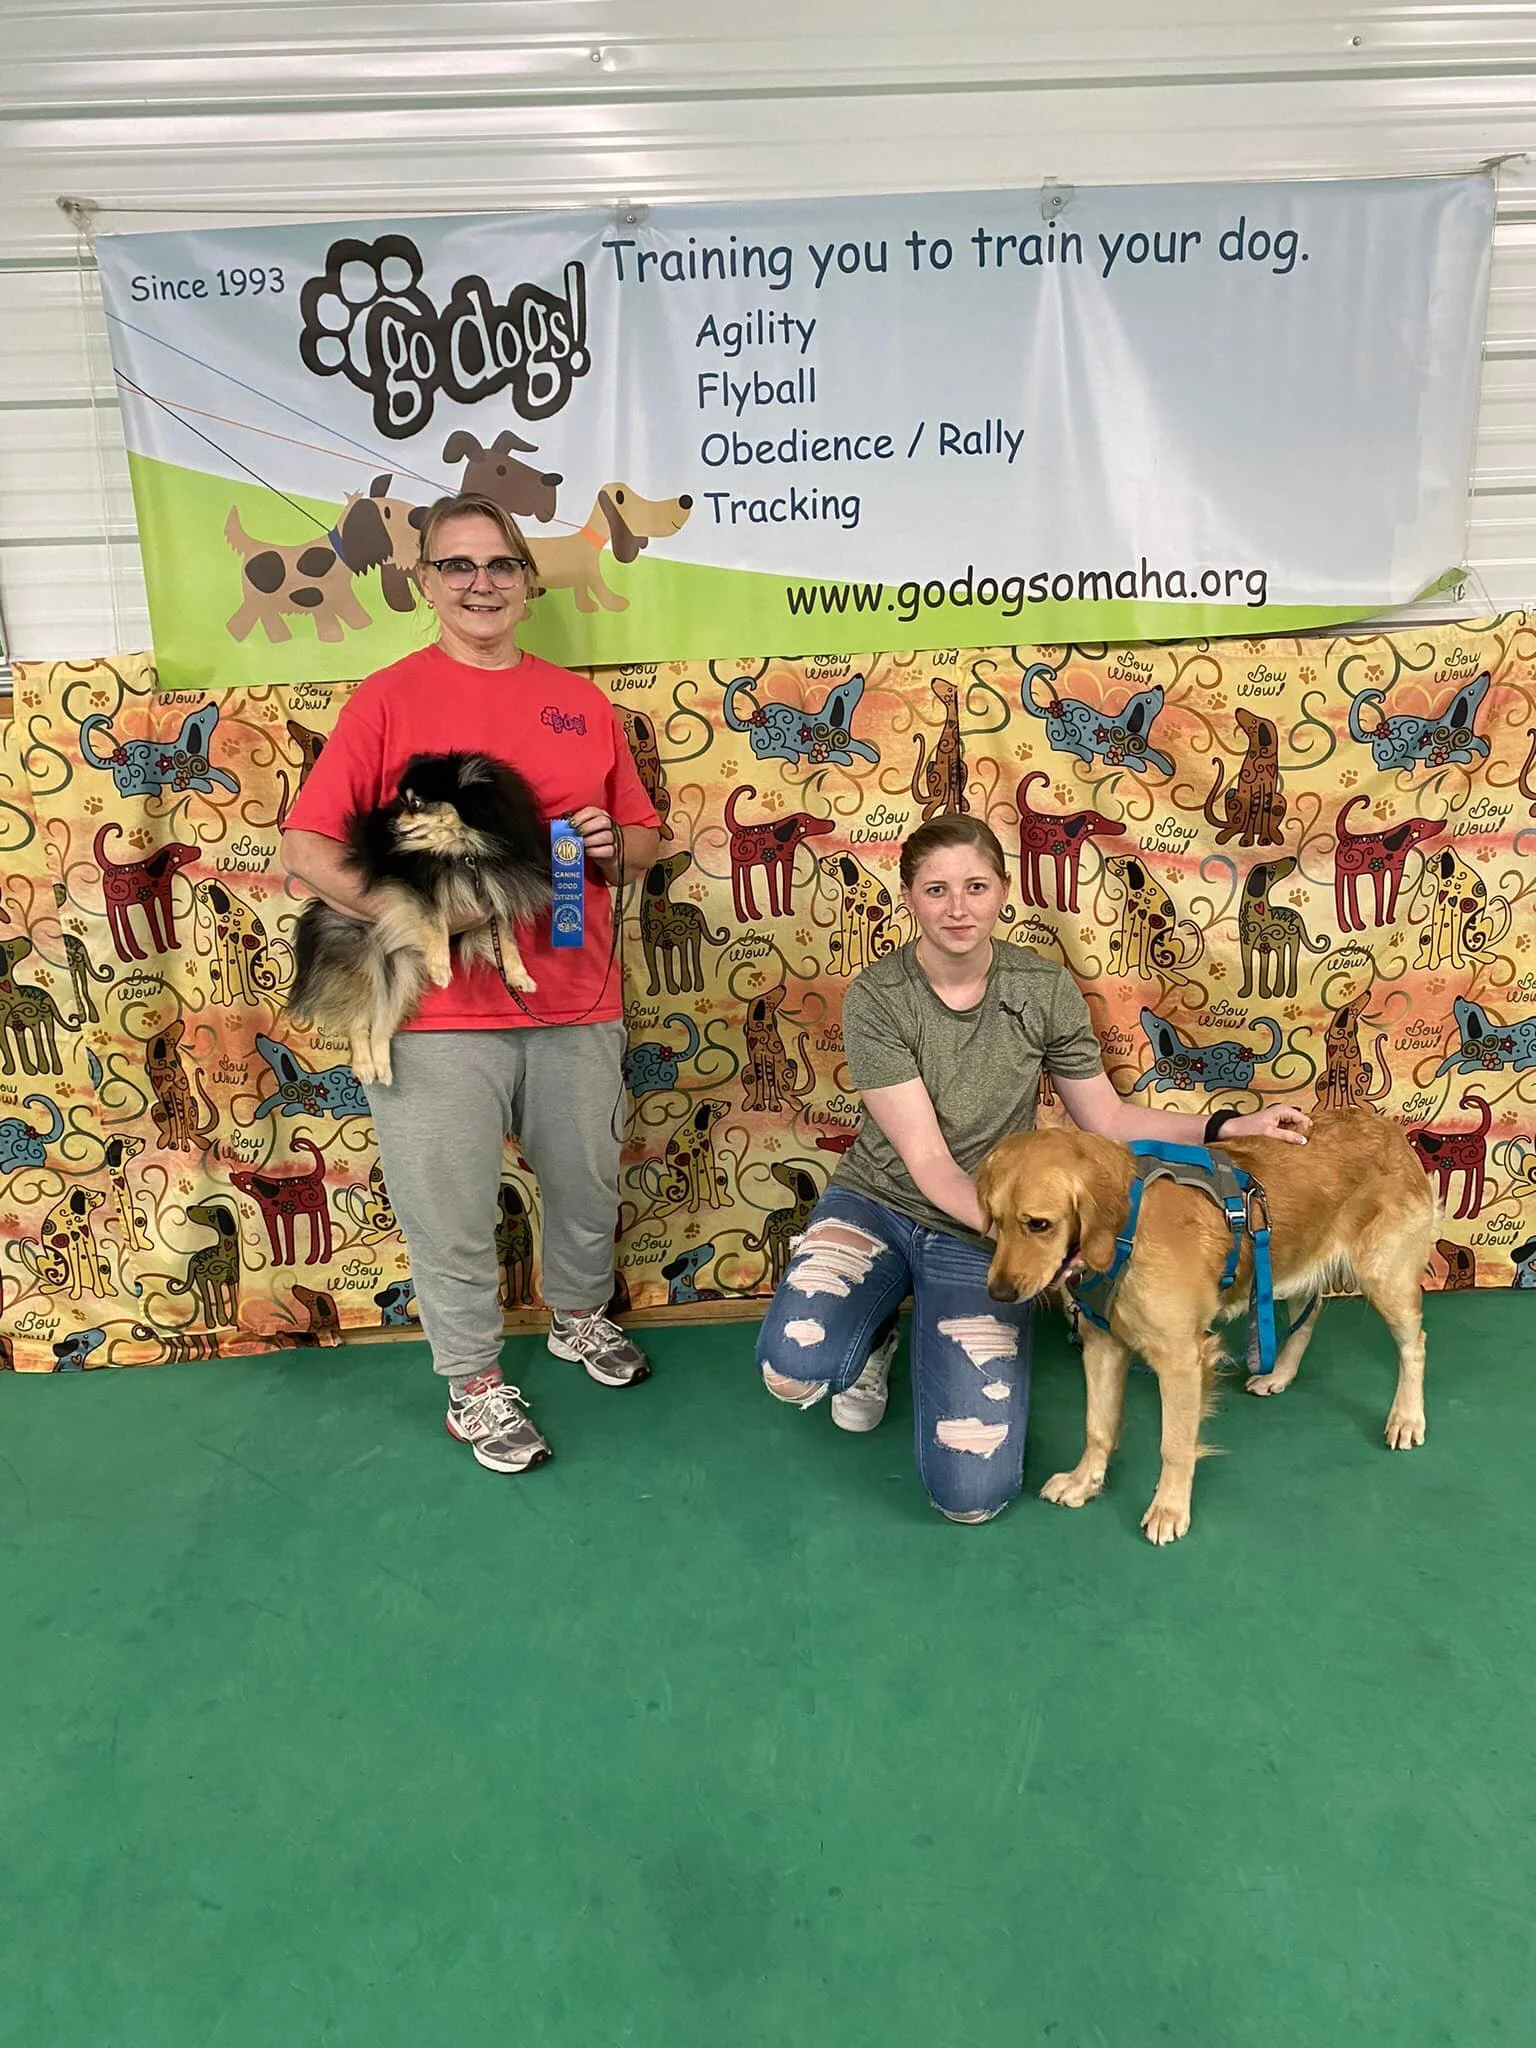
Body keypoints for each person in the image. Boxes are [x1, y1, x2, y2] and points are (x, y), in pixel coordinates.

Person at [755, 814, 1310, 1523]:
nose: (958, 907)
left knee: (972, 1499)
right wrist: (1042, 1241)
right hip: (887, 1201)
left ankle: (924, 1321)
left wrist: (1231, 1124)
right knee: (791, 1370)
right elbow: (927, 1163)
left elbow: (1106, 1120)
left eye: (976, 887)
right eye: (937, 890)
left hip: (991, 1225)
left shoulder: (1042, 987)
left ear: (1003, 893)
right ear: (908, 898)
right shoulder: (878, 996)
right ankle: (875, 1331)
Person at [281, 491, 661, 1474]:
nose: (481, 582)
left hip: (578, 994)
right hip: (437, 1012)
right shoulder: (388, 698)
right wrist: (417, 912)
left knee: (587, 1182)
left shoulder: (580, 704)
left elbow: (644, 835)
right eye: (458, 566)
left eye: (498, 564)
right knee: (446, 1202)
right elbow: (308, 847)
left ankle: (579, 1314)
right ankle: (474, 1382)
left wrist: (627, 843)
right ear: (426, 581)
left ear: (528, 579)